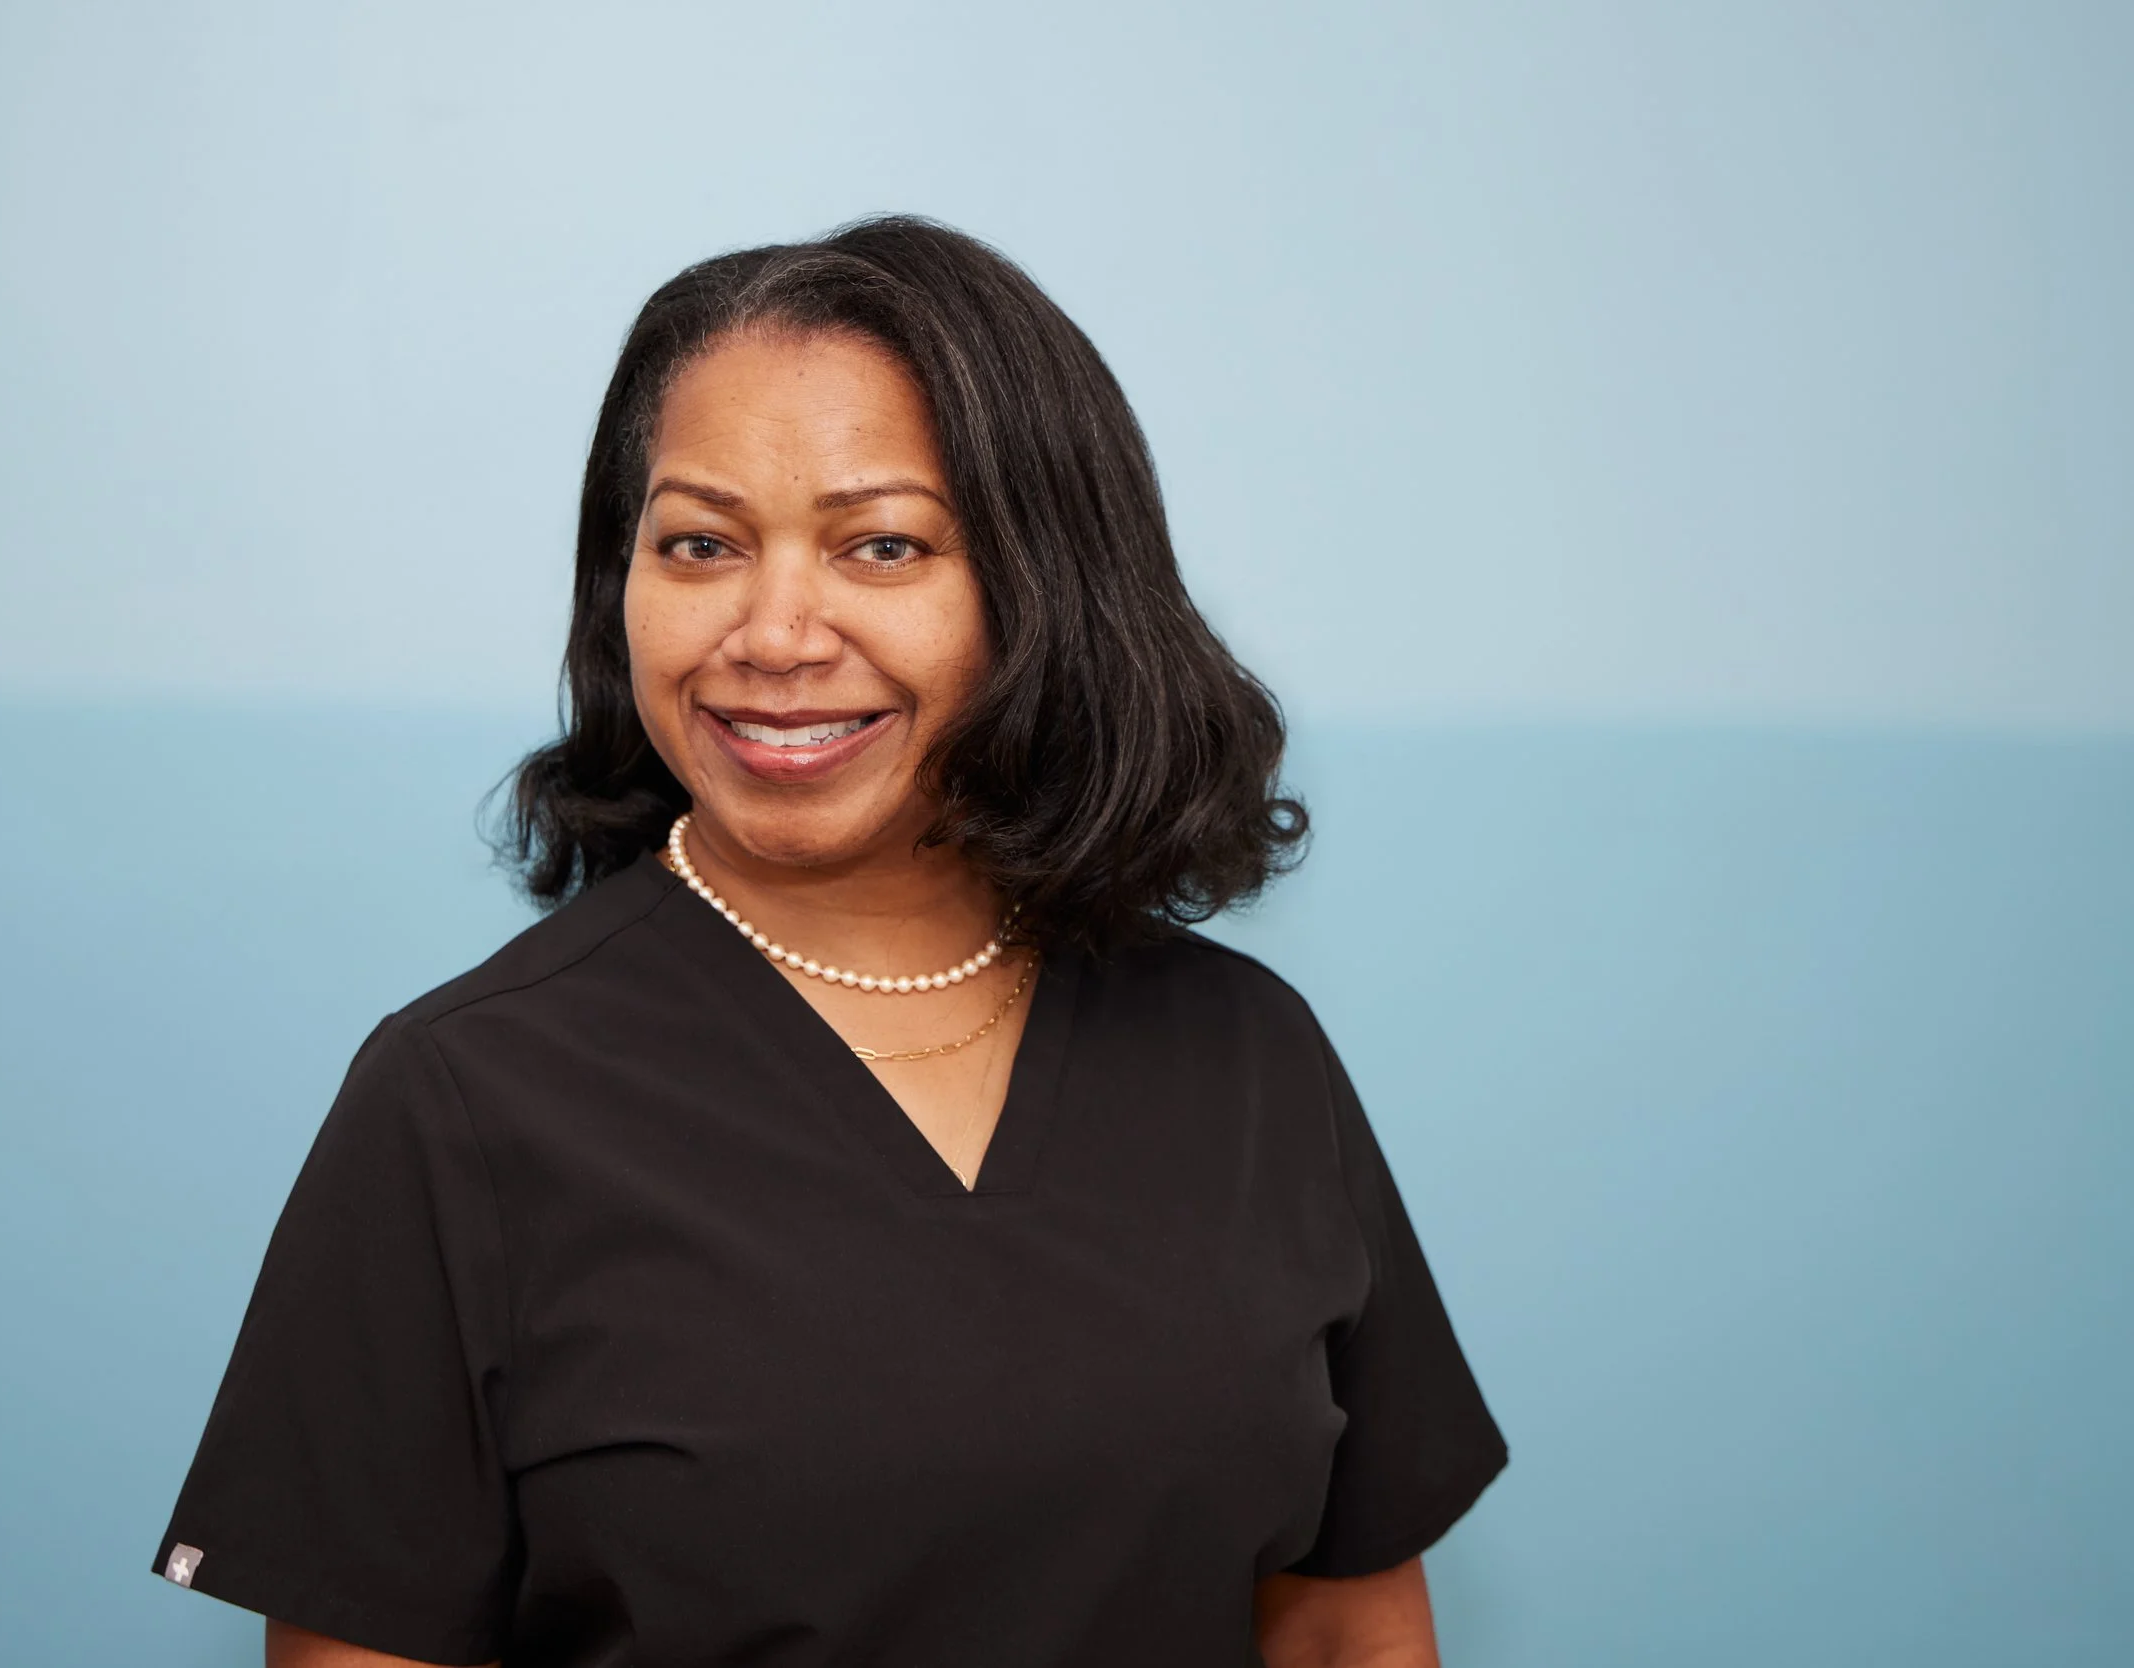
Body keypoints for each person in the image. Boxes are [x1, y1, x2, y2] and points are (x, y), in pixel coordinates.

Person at [153, 215, 1506, 1668]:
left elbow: (1344, 1629)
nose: (775, 631)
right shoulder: (464, 1102)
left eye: (881, 545)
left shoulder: (1249, 1059)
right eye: (699, 545)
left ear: (1041, 594)